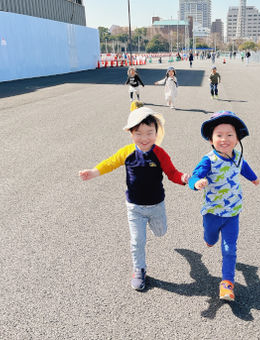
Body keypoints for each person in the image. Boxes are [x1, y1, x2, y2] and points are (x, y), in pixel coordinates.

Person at [79, 107, 190, 291]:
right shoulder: (127, 152)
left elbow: (172, 173)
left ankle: (162, 234)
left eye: (149, 133)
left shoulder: (160, 153)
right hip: (134, 207)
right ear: (131, 133)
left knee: (161, 232)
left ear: (156, 132)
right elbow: (110, 163)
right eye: (138, 133)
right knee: (137, 241)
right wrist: (93, 172)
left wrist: (184, 179)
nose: (144, 138)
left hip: (156, 205)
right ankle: (139, 269)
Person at [188, 111, 260, 301]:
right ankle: (209, 237)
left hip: (233, 212)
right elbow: (195, 175)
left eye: (230, 135)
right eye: (219, 135)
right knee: (210, 238)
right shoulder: (209, 160)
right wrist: (196, 183)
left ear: (237, 139)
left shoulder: (237, 156)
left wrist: (254, 179)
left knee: (229, 249)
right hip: (212, 212)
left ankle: (227, 283)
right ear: (211, 140)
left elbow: (244, 168)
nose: (224, 139)